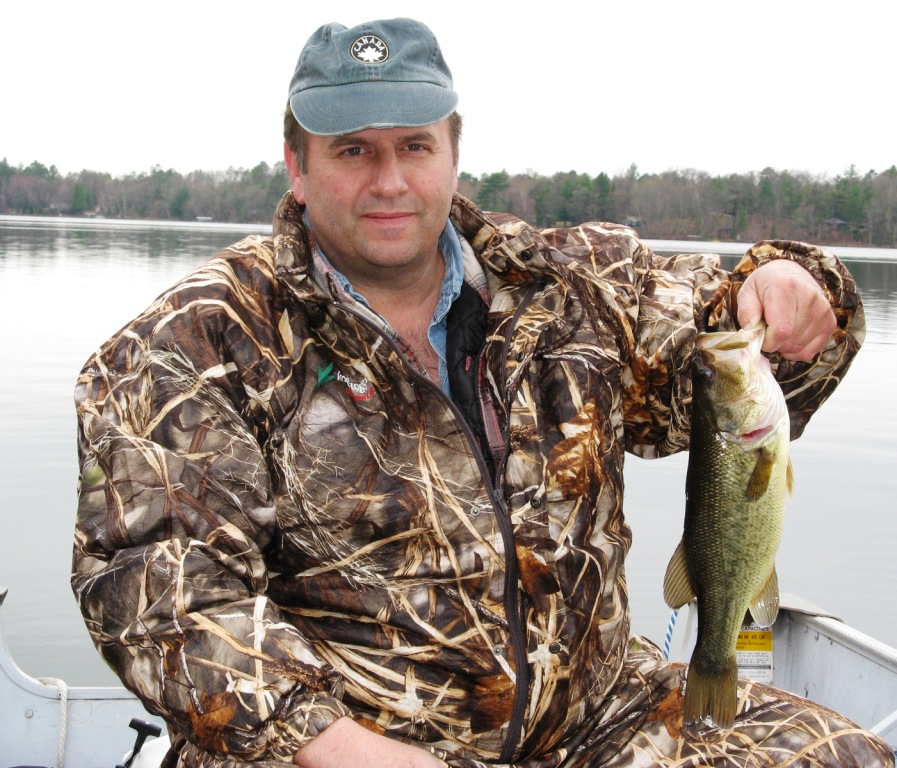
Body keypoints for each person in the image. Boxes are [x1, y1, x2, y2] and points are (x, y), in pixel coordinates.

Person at [71, 17, 893, 768]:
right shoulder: (194, 343)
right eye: (353, 151)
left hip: (594, 723)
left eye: (415, 146)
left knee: (848, 757)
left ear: (452, 153)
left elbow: (737, 356)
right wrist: (336, 746)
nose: (390, 180)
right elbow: (159, 595)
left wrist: (797, 287)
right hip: (333, 745)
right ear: (297, 166)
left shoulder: (571, 283)